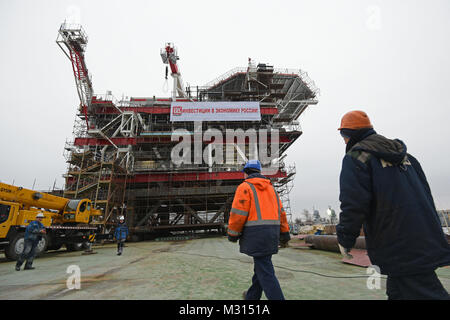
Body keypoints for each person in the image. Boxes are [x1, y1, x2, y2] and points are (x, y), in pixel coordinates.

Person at [336, 110, 450, 300]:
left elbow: (353, 204)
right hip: (422, 238)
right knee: (398, 291)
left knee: (427, 292)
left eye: (343, 135)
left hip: (398, 243)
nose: (344, 140)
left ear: (350, 135)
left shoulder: (357, 158)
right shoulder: (408, 158)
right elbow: (426, 196)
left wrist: (345, 239)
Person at [227, 160, 290, 300]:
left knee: (265, 272)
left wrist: (232, 234)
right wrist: (285, 233)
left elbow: (238, 214)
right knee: (261, 267)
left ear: (246, 173)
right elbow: (281, 213)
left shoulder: (244, 187)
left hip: (256, 235)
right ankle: (251, 297)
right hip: (272, 234)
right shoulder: (271, 189)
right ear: (259, 172)